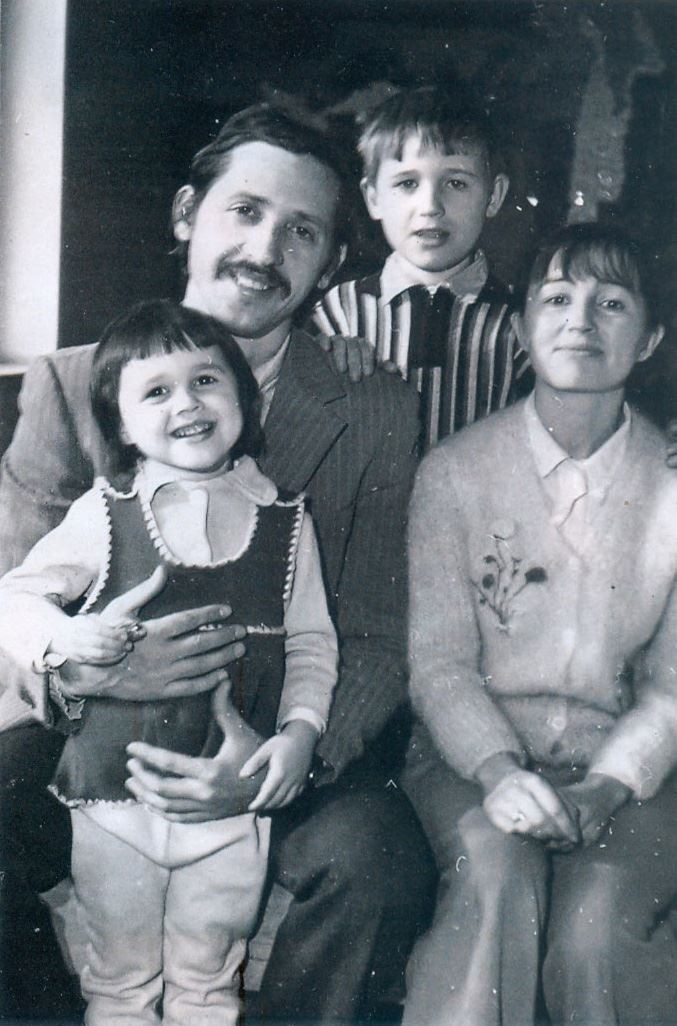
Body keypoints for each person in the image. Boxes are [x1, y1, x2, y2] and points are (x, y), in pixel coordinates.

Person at [0, 104, 434, 1024]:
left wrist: (291, 757)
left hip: (277, 741)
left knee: (379, 863)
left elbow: (373, 630)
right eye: (244, 210)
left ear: (329, 264)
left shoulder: (373, 405)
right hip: (89, 736)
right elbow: (11, 604)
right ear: (186, 214)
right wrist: (90, 670)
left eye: (301, 231)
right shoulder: (71, 385)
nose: (265, 249)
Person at [0, 299, 338, 1026]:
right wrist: (66, 639)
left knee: (208, 983)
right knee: (120, 983)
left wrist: (300, 733)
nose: (186, 403)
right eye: (156, 391)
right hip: (111, 798)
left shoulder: (286, 519)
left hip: (231, 799)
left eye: (205, 381)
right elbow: (14, 598)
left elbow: (312, 643)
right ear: (121, 425)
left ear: (243, 397)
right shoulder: (105, 511)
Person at [403, 223, 677, 1026]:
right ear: (521, 330)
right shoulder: (453, 472)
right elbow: (439, 665)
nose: (579, 321)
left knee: (597, 934)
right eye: (555, 299)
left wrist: (605, 786)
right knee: (494, 878)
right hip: (468, 758)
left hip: (625, 770)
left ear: (648, 340)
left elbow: (669, 689)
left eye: (610, 303)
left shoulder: (669, 484)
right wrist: (498, 773)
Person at [311, 86, 530, 451]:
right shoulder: (337, 312)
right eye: (407, 183)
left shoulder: (519, 324)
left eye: (456, 183)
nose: (430, 205)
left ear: (493, 196)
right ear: (374, 198)